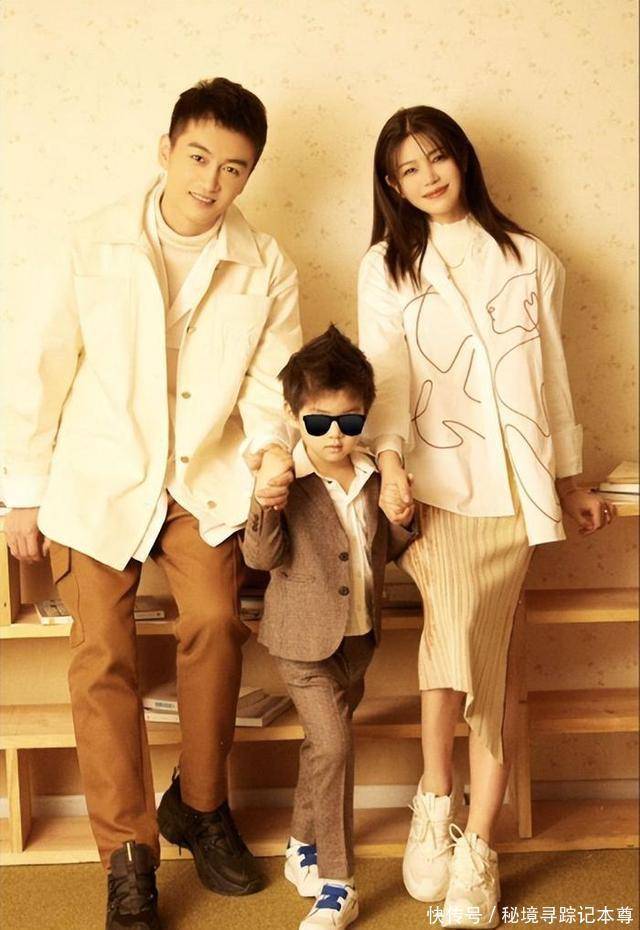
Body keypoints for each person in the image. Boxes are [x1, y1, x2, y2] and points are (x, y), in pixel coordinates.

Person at [0, 77, 301, 929]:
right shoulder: (91, 242)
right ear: (165, 150)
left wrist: (270, 455)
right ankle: (126, 856)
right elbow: (40, 367)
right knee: (102, 652)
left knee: (217, 622)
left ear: (249, 176)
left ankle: (199, 806)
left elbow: (270, 386)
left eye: (233, 169)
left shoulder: (268, 263)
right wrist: (21, 493)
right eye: (198, 157)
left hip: (200, 480)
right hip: (96, 479)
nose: (211, 181)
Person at [357, 105, 615, 929]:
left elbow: (553, 377)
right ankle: (442, 803)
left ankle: (470, 835)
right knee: (458, 636)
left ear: (462, 158)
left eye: (437, 158)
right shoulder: (386, 267)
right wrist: (390, 466)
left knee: (481, 651)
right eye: (409, 169)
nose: (428, 176)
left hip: (512, 493)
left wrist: (569, 480)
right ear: (392, 184)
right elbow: (385, 376)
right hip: (433, 490)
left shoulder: (530, 258)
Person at [242, 325, 417, 930]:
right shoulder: (286, 481)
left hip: (359, 638)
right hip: (300, 643)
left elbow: (387, 549)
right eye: (318, 423)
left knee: (323, 744)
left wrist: (403, 519)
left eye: (349, 420)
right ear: (294, 417)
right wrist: (264, 502)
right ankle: (339, 884)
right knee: (337, 744)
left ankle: (301, 842)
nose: (335, 434)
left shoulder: (373, 476)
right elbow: (260, 558)